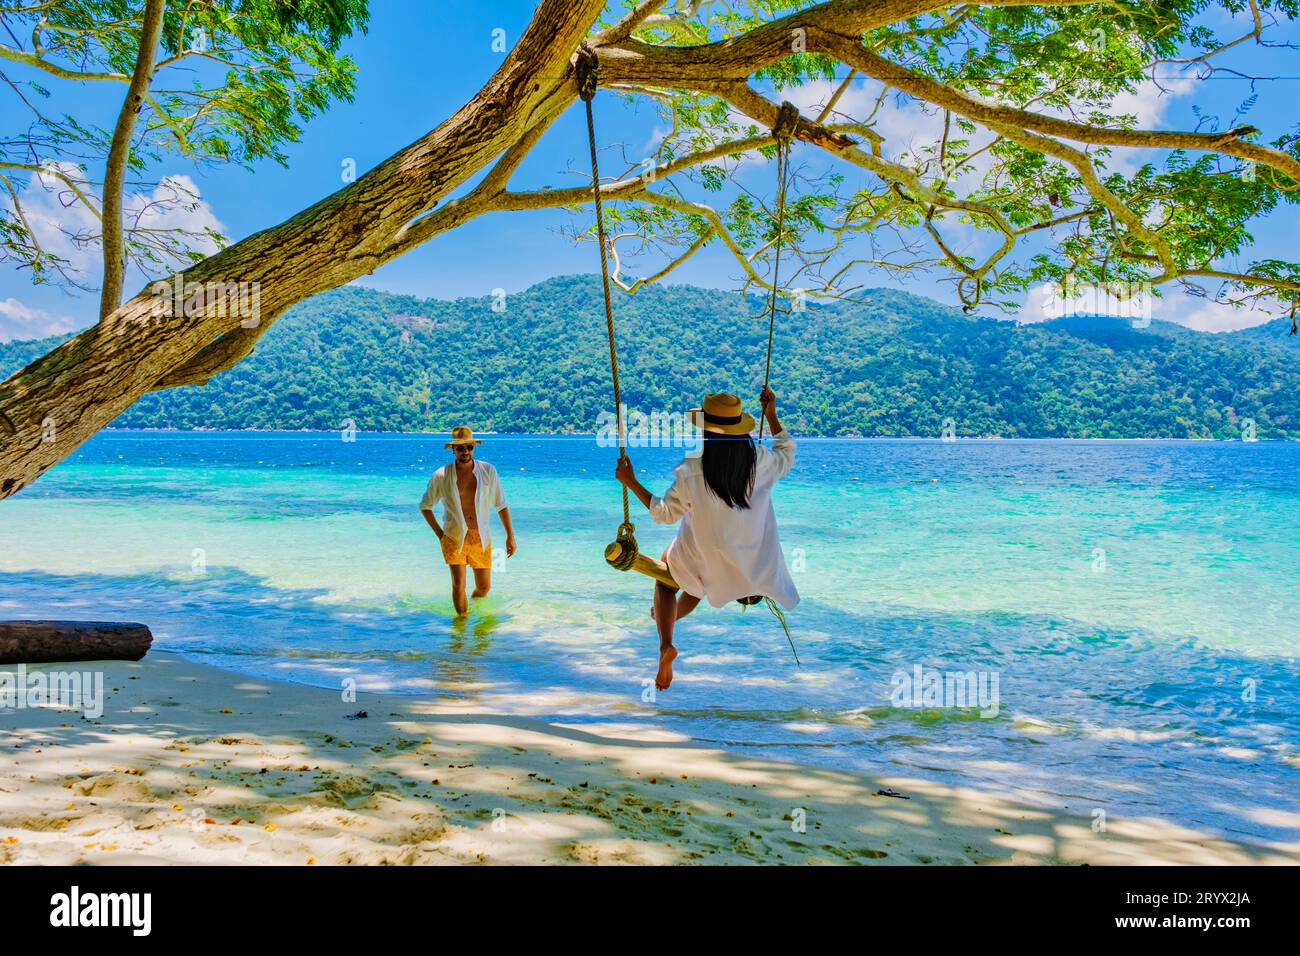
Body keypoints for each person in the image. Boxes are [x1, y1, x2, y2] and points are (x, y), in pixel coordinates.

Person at [615, 386, 798, 690]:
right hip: (748, 565)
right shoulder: (760, 460)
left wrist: (631, 482)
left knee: (666, 580)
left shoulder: (692, 469)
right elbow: (787, 454)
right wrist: (772, 415)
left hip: (702, 560)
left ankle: (666, 643)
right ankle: (667, 619)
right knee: (698, 582)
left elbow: (663, 514)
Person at [420, 426, 516, 616]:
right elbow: (425, 506)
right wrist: (441, 535)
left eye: (469, 447)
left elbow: (501, 504)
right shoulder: (441, 475)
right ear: (453, 449)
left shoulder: (488, 470)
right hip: (454, 537)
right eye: (461, 448)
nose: (466, 451)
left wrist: (510, 536)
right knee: (458, 584)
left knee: (484, 588)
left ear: (473, 447)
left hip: (481, 536)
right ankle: (461, 629)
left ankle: (475, 619)